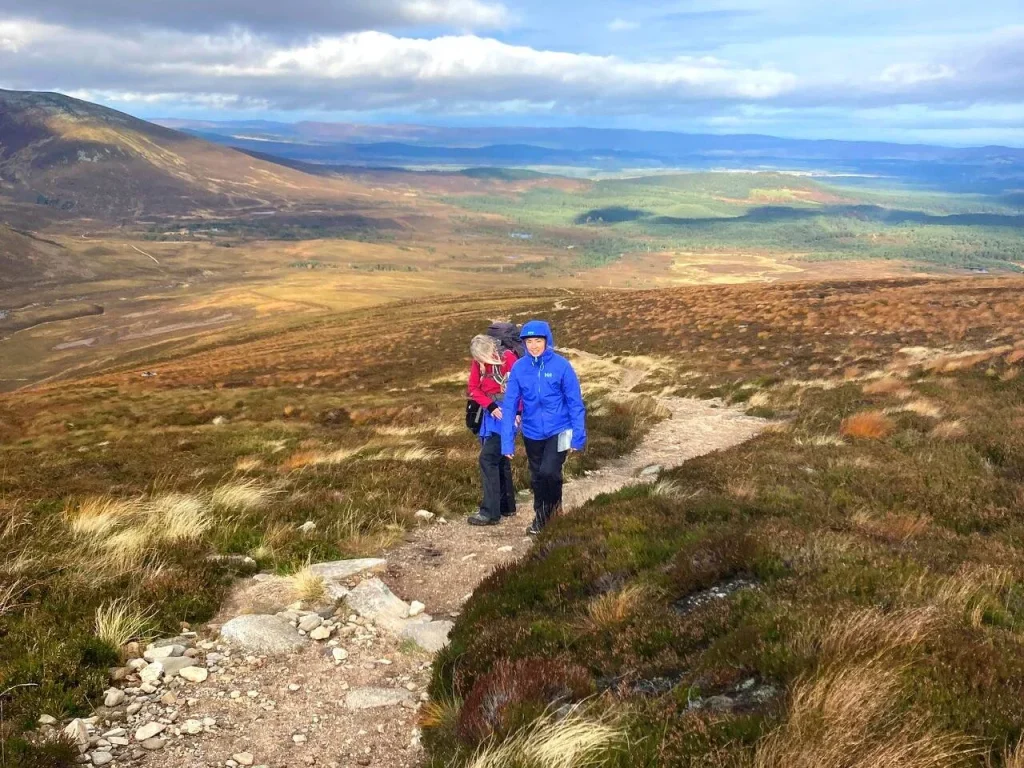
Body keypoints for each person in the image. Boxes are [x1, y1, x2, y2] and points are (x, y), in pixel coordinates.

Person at [500, 321, 586, 535]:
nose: (534, 345)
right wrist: (506, 442)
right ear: (524, 343)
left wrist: (578, 436)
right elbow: (510, 405)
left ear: (547, 341)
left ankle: (553, 513)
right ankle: (542, 517)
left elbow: (575, 402)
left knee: (550, 472)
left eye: (538, 340)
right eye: (529, 341)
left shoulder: (561, 366)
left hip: (559, 429)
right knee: (537, 476)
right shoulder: (519, 368)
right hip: (532, 432)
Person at [466, 335, 518, 526]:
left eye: (482, 357)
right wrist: (490, 407)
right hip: (491, 414)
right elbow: (473, 388)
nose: (480, 362)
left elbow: (518, 387)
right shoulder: (477, 361)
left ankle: (490, 512)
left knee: (487, 458)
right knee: (500, 459)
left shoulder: (508, 358)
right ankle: (507, 506)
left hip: (508, 413)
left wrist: (518, 411)